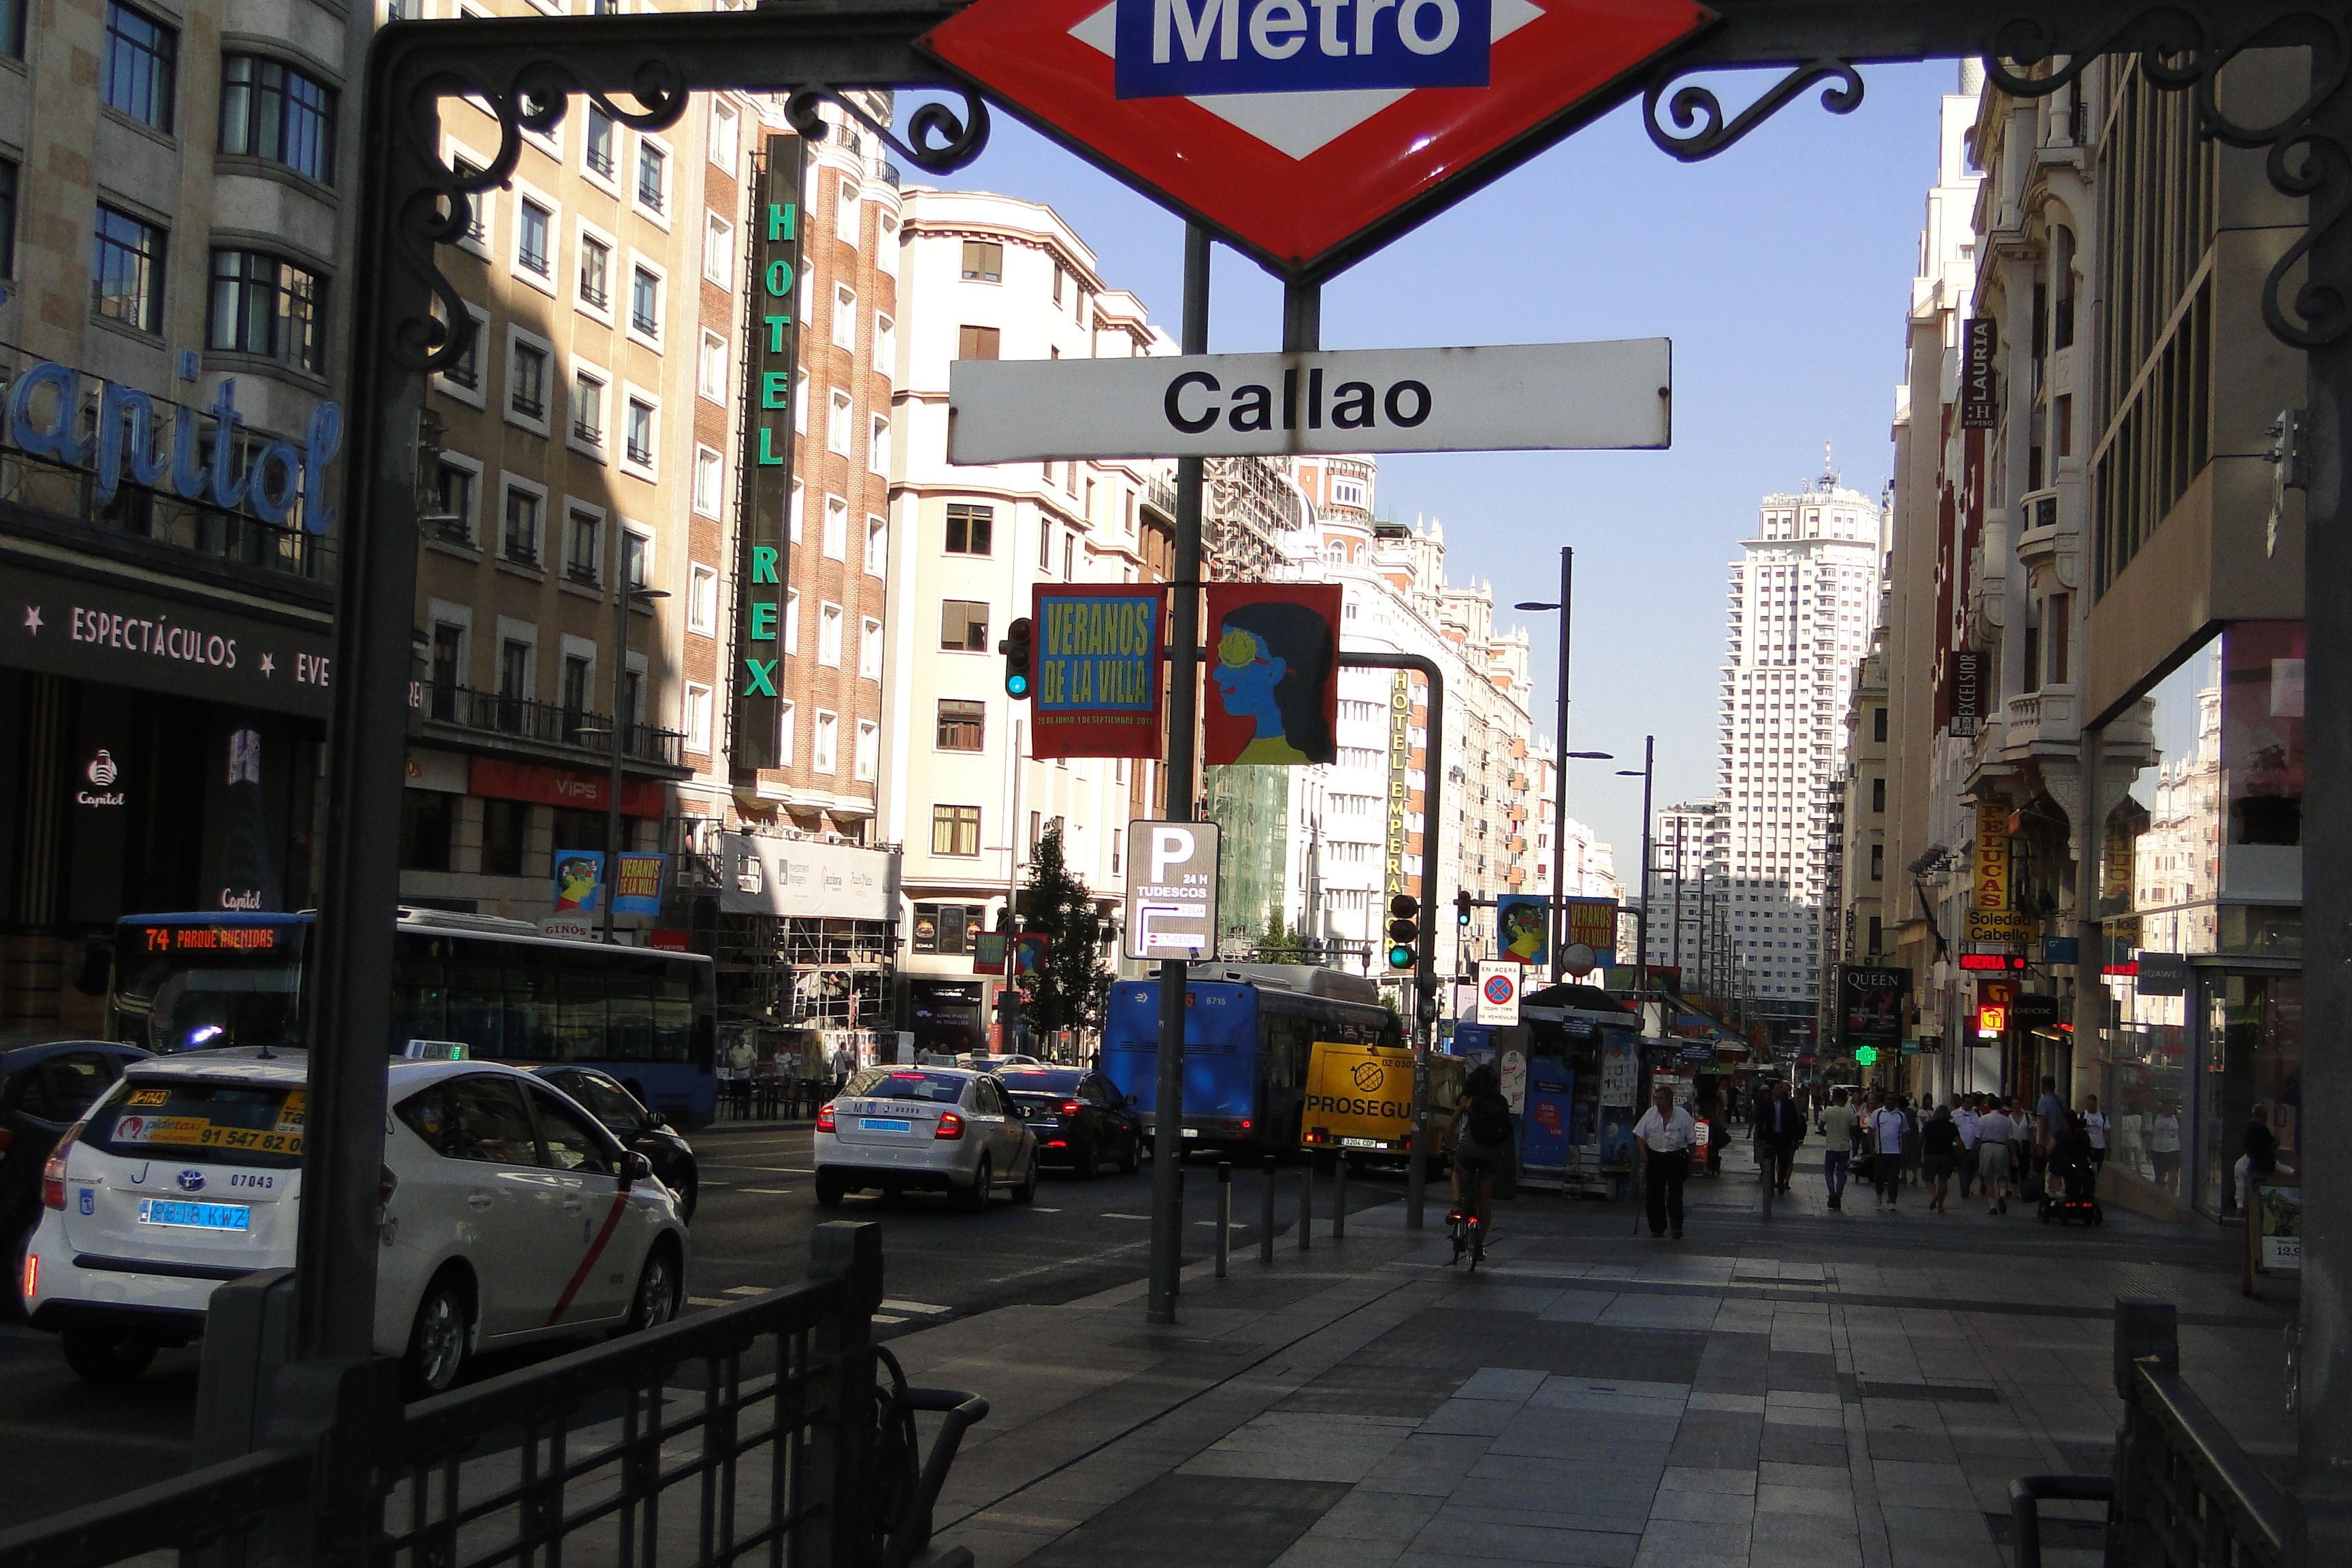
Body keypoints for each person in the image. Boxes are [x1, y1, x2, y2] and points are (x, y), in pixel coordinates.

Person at [1449, 1065, 1514, 1230]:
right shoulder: (1501, 1102)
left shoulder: (1469, 1099)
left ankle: (1456, 1206)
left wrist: (1447, 1142)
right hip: (1492, 1152)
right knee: (1485, 1202)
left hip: (1469, 1148)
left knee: (1457, 1169)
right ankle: (1479, 1246)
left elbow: (1453, 1123)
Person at [1632, 1083, 1699, 1239]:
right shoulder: (1650, 1114)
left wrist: (1691, 1161)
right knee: (1654, 1194)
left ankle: (1676, 1226)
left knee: (1675, 1194)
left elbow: (1692, 1141)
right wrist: (1644, 1155)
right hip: (1655, 1156)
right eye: (1656, 1098)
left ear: (1670, 1100)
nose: (1658, 1102)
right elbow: (1640, 1136)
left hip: (1676, 1157)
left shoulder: (1683, 1116)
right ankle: (1657, 1227)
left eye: (1661, 1099)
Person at [1758, 1080, 1806, 1194]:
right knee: (1770, 1162)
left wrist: (1795, 1138)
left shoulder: (1788, 1104)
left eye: (1782, 1088)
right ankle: (1770, 1185)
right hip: (1771, 1137)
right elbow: (1761, 1121)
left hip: (1785, 1138)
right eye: (1778, 1088)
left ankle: (1780, 1182)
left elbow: (1794, 1122)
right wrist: (1760, 1137)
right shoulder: (1767, 1104)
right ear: (1772, 1090)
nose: (1781, 1090)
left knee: (1783, 1162)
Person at [1869, 1094, 1909, 1211]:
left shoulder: (1901, 1116)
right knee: (1879, 1176)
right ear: (1885, 1100)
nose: (1892, 1102)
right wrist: (1872, 1148)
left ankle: (1892, 1199)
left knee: (1894, 1177)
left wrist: (1905, 1149)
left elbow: (1905, 1133)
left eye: (1894, 1099)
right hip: (1881, 1151)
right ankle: (1879, 1194)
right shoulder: (1878, 1114)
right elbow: (1871, 1131)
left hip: (1896, 1151)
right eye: (1889, 1099)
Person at [1978, 1098, 2017, 1213]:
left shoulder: (1983, 1119)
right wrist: (2014, 1155)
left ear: (1989, 1105)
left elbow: (1978, 1137)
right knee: (2002, 1176)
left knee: (1988, 1177)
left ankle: (1993, 1206)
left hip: (1987, 1146)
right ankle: (2002, 1195)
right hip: (2002, 1147)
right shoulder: (2006, 1120)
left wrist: (1974, 1149)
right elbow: (2011, 1139)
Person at [1818, 1088, 1856, 1211]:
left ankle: (1832, 1193)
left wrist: (1826, 1133)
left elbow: (1821, 1126)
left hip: (1831, 1146)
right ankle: (1838, 1197)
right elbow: (1854, 1129)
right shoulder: (1849, 1113)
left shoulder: (1828, 1111)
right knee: (1841, 1174)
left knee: (1828, 1172)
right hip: (1844, 1147)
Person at [1922, 1103, 1960, 1213]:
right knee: (1943, 1180)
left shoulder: (1929, 1125)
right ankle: (1940, 1206)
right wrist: (1962, 1153)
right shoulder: (1951, 1126)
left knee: (1928, 1179)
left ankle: (1935, 1195)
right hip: (1947, 1155)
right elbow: (1958, 1142)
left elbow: (1922, 1138)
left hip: (1930, 1154)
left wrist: (1917, 1150)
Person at [2150, 1100, 2183, 1192]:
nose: (2170, 1111)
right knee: (2160, 1177)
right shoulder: (2155, 1118)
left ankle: (2172, 1195)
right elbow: (2149, 1134)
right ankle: (2160, 1196)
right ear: (2163, 1107)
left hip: (2173, 1150)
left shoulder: (2177, 1119)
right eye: (2168, 1108)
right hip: (2158, 1151)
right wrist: (2148, 1150)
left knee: (2174, 1175)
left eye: (2172, 1109)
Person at [1955, 1094, 1982, 1199]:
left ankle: (1966, 1186)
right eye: (1967, 1102)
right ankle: (1964, 1190)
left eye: (1971, 1102)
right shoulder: (1955, 1114)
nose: (1969, 1105)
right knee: (1963, 1170)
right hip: (1961, 1147)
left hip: (1974, 1147)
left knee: (1972, 1170)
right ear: (1963, 1103)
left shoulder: (1977, 1114)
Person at [2081, 1094, 2110, 1172]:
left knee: (2098, 1169)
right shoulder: (2082, 1116)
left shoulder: (2102, 1117)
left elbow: (2107, 1131)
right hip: (2087, 1147)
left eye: (2094, 1105)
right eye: (2090, 1105)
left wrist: (2107, 1146)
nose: (2092, 1107)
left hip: (2099, 1147)